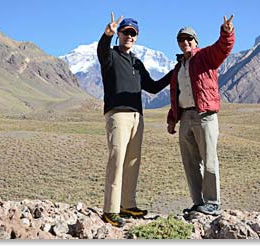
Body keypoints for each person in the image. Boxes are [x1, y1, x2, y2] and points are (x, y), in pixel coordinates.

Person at [97, 12, 172, 227]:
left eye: (133, 34)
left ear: (136, 37)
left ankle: (127, 204)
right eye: (125, 32)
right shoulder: (110, 56)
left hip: (137, 116)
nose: (129, 36)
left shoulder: (137, 63)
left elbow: (153, 86)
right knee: (117, 159)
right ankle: (110, 210)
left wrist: (173, 73)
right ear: (119, 34)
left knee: (132, 161)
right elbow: (101, 50)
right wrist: (107, 35)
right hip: (117, 114)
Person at [167, 15, 235, 216]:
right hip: (185, 117)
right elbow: (176, 95)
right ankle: (198, 202)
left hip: (205, 115)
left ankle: (213, 202)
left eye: (189, 39)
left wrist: (227, 31)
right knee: (190, 162)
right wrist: (172, 120)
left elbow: (224, 47)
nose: (185, 42)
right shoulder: (178, 67)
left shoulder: (206, 56)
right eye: (181, 39)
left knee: (209, 159)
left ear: (196, 41)